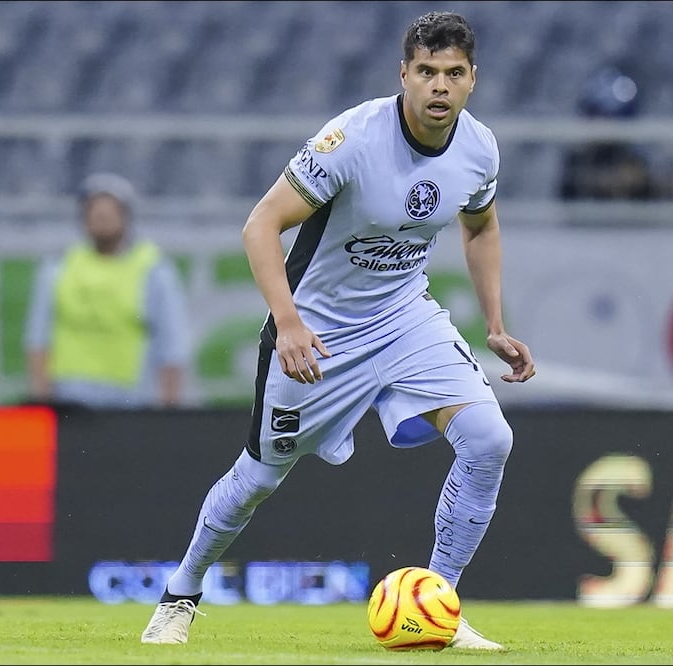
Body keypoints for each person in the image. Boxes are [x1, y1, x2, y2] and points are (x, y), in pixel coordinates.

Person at [140, 11, 535, 651]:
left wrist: (494, 322)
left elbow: (481, 225)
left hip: (406, 318)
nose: (439, 87)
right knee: (259, 480)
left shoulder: (479, 148)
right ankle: (181, 592)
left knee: (489, 440)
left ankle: (439, 604)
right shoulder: (351, 139)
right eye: (427, 73)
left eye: (453, 74)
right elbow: (260, 226)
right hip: (319, 332)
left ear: (472, 80)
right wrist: (289, 325)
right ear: (403, 74)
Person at [25, 172, 189, 409]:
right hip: (68, 402)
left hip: (131, 401)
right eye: (95, 212)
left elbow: (172, 345)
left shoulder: (153, 271)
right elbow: (38, 340)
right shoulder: (59, 268)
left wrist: (168, 409)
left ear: (125, 217)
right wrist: (42, 398)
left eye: (109, 212)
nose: (101, 219)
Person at [557, 65, 664, 201]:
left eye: (605, 117)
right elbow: (567, 198)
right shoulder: (578, 160)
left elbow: (653, 194)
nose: (602, 125)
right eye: (596, 116)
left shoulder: (636, 159)